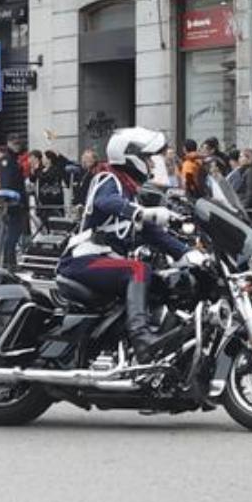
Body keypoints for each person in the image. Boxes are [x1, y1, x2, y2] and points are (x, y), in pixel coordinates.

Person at [56, 128, 192, 363]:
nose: (151, 164)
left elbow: (154, 234)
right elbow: (105, 201)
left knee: (163, 281)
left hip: (102, 262)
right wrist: (144, 212)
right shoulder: (108, 179)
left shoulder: (131, 191)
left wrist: (188, 254)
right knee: (138, 270)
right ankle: (142, 339)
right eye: (148, 158)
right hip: (82, 261)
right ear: (132, 156)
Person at [0, 140, 29, 271]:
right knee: (12, 233)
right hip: (12, 202)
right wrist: (11, 201)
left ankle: (9, 261)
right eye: (17, 144)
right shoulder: (7, 160)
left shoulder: (12, 159)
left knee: (13, 233)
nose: (20, 147)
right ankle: (9, 262)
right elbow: (7, 182)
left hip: (15, 201)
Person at [235, 148, 252, 222]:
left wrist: (243, 206)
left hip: (249, 210)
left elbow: (251, 192)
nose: (239, 159)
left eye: (241, 157)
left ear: (249, 158)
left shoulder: (251, 172)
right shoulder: (246, 170)